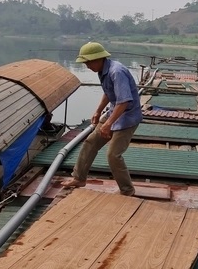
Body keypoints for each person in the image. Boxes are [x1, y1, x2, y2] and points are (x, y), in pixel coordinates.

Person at [61, 41, 142, 196]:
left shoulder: (116, 72)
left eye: (88, 63)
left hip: (128, 116)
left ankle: (127, 190)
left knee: (113, 155)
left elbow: (124, 101)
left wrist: (109, 124)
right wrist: (98, 111)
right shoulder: (102, 71)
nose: (87, 66)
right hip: (114, 112)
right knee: (91, 142)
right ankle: (79, 178)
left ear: (98, 59)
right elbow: (108, 92)